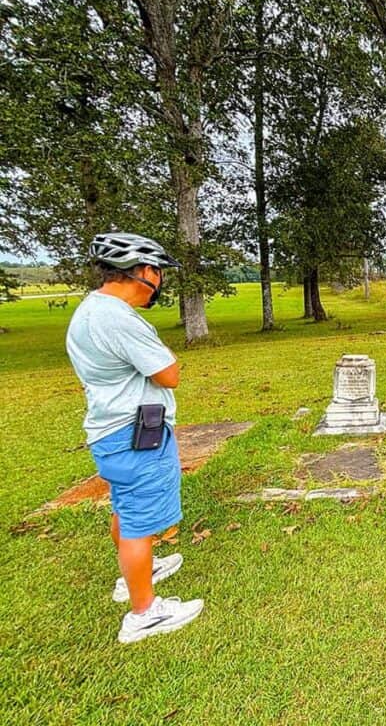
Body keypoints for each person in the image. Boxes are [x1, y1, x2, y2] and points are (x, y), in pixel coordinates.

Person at [66, 233, 204, 644]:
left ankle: (135, 577)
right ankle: (144, 611)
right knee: (138, 523)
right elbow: (169, 374)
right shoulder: (120, 318)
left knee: (126, 508)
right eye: (157, 272)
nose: (159, 282)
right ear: (142, 271)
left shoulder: (90, 310)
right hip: (135, 433)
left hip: (110, 430)